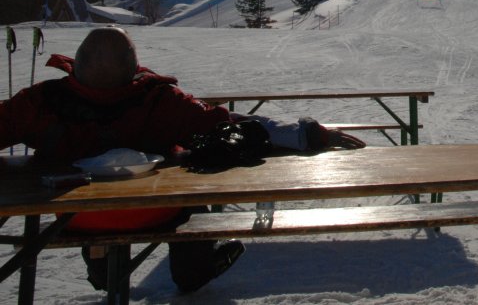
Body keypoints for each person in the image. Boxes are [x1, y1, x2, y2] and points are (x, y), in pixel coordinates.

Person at [0, 26, 362, 294]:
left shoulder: (41, 102)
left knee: (98, 214)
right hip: (159, 211)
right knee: (191, 192)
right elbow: (231, 125)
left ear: (76, 64)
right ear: (135, 67)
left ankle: (101, 268)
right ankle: (193, 269)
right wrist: (311, 134)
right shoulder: (160, 101)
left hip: (77, 220)